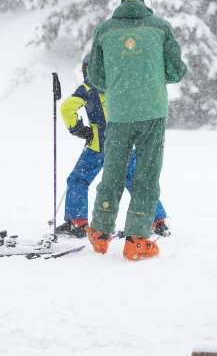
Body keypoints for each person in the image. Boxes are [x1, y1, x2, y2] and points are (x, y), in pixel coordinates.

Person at [85, 0, 187, 261]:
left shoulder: (104, 30)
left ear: (120, 2)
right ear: (146, 2)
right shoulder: (161, 27)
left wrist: (121, 85)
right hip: (152, 111)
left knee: (113, 172)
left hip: (118, 113)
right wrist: (151, 75)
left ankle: (100, 232)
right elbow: (176, 71)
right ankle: (137, 240)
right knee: (146, 175)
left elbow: (95, 75)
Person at [56, 55, 169, 238]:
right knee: (138, 183)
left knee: (78, 180)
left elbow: (67, 108)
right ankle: (157, 221)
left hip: (98, 148)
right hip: (125, 146)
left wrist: (78, 129)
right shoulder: (121, 87)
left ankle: (78, 223)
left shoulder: (87, 89)